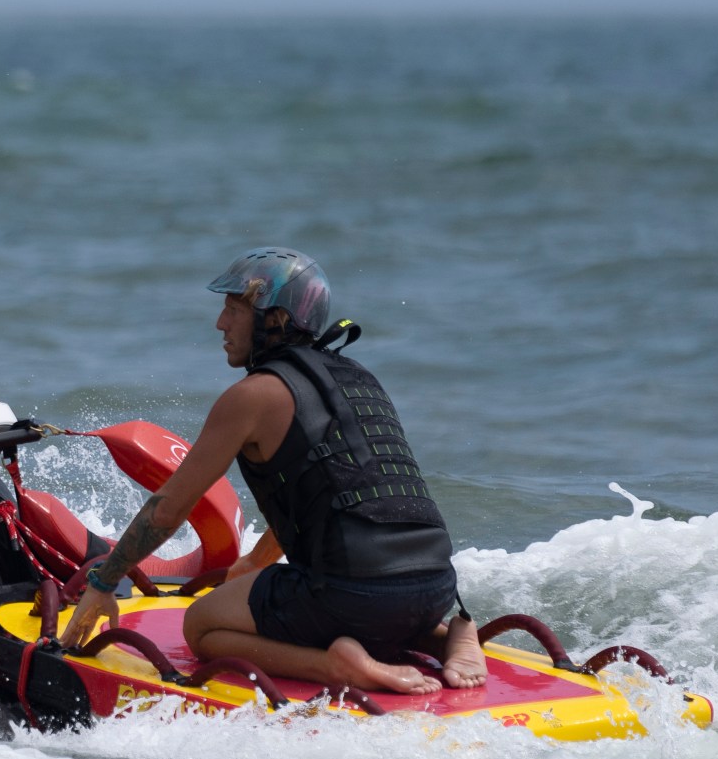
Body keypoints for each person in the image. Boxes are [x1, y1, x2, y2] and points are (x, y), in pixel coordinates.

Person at [57, 250, 485, 696]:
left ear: (274, 318)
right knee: (371, 603)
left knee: (201, 626)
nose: (220, 324)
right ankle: (448, 634)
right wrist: (256, 562)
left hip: (355, 599)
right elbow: (337, 488)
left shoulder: (253, 396)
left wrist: (105, 582)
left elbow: (168, 510)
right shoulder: (358, 377)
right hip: (433, 588)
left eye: (234, 310)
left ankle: (336, 665)